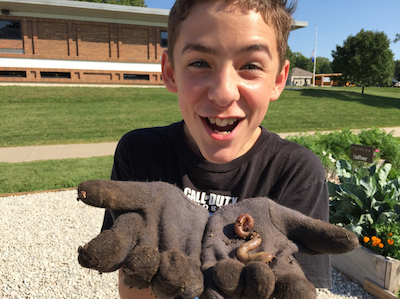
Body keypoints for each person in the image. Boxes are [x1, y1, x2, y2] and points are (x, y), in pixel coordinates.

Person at [101, 0, 331, 298]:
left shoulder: (296, 171)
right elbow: (130, 288)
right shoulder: (140, 152)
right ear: (170, 72)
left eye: (250, 66)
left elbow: (296, 287)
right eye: (199, 63)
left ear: (278, 80)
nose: (223, 93)